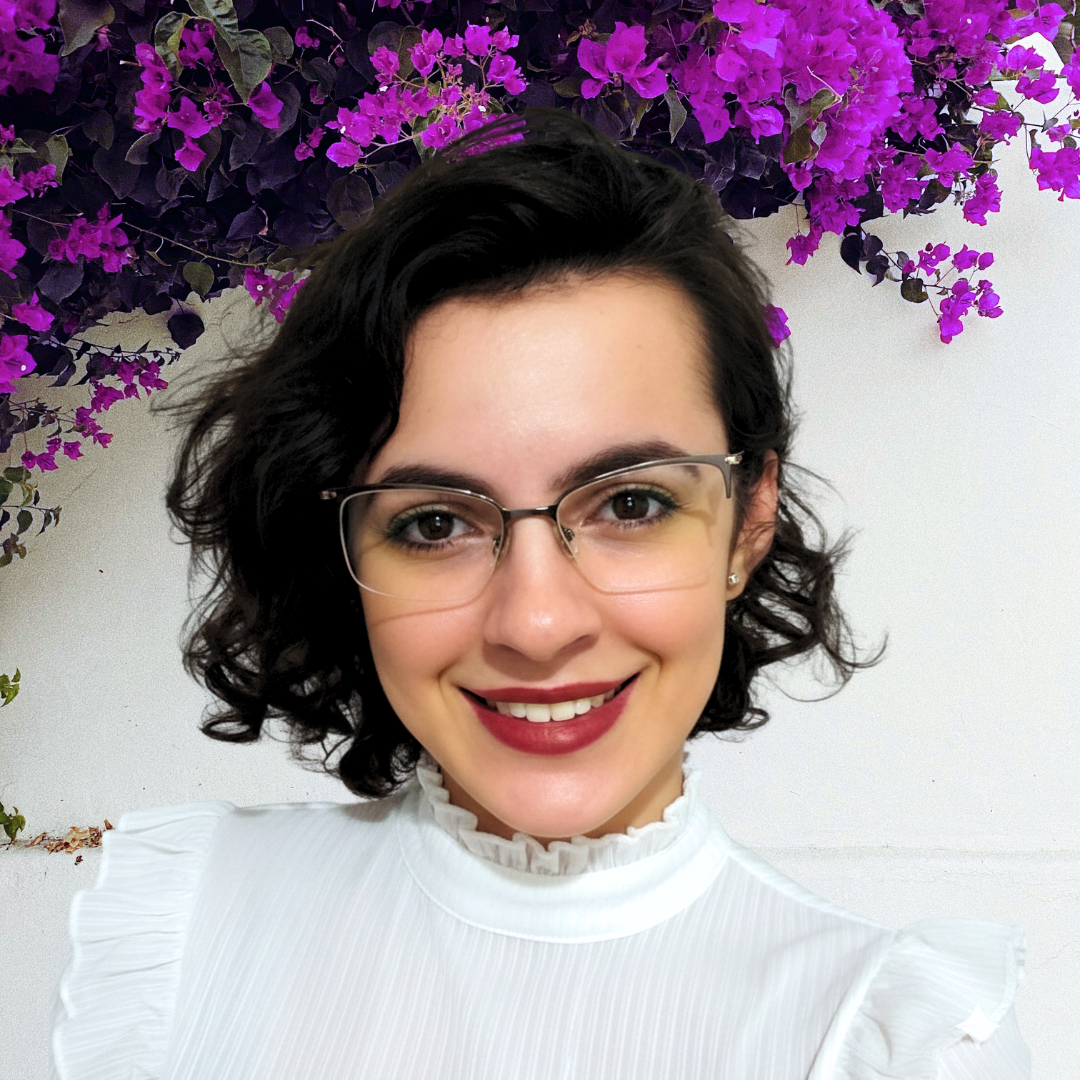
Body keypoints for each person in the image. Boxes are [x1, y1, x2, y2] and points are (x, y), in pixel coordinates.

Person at [50, 110, 1028, 1079]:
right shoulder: (178, 933)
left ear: (750, 518)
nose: (536, 623)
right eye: (434, 522)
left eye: (633, 503)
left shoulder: (884, 1040)